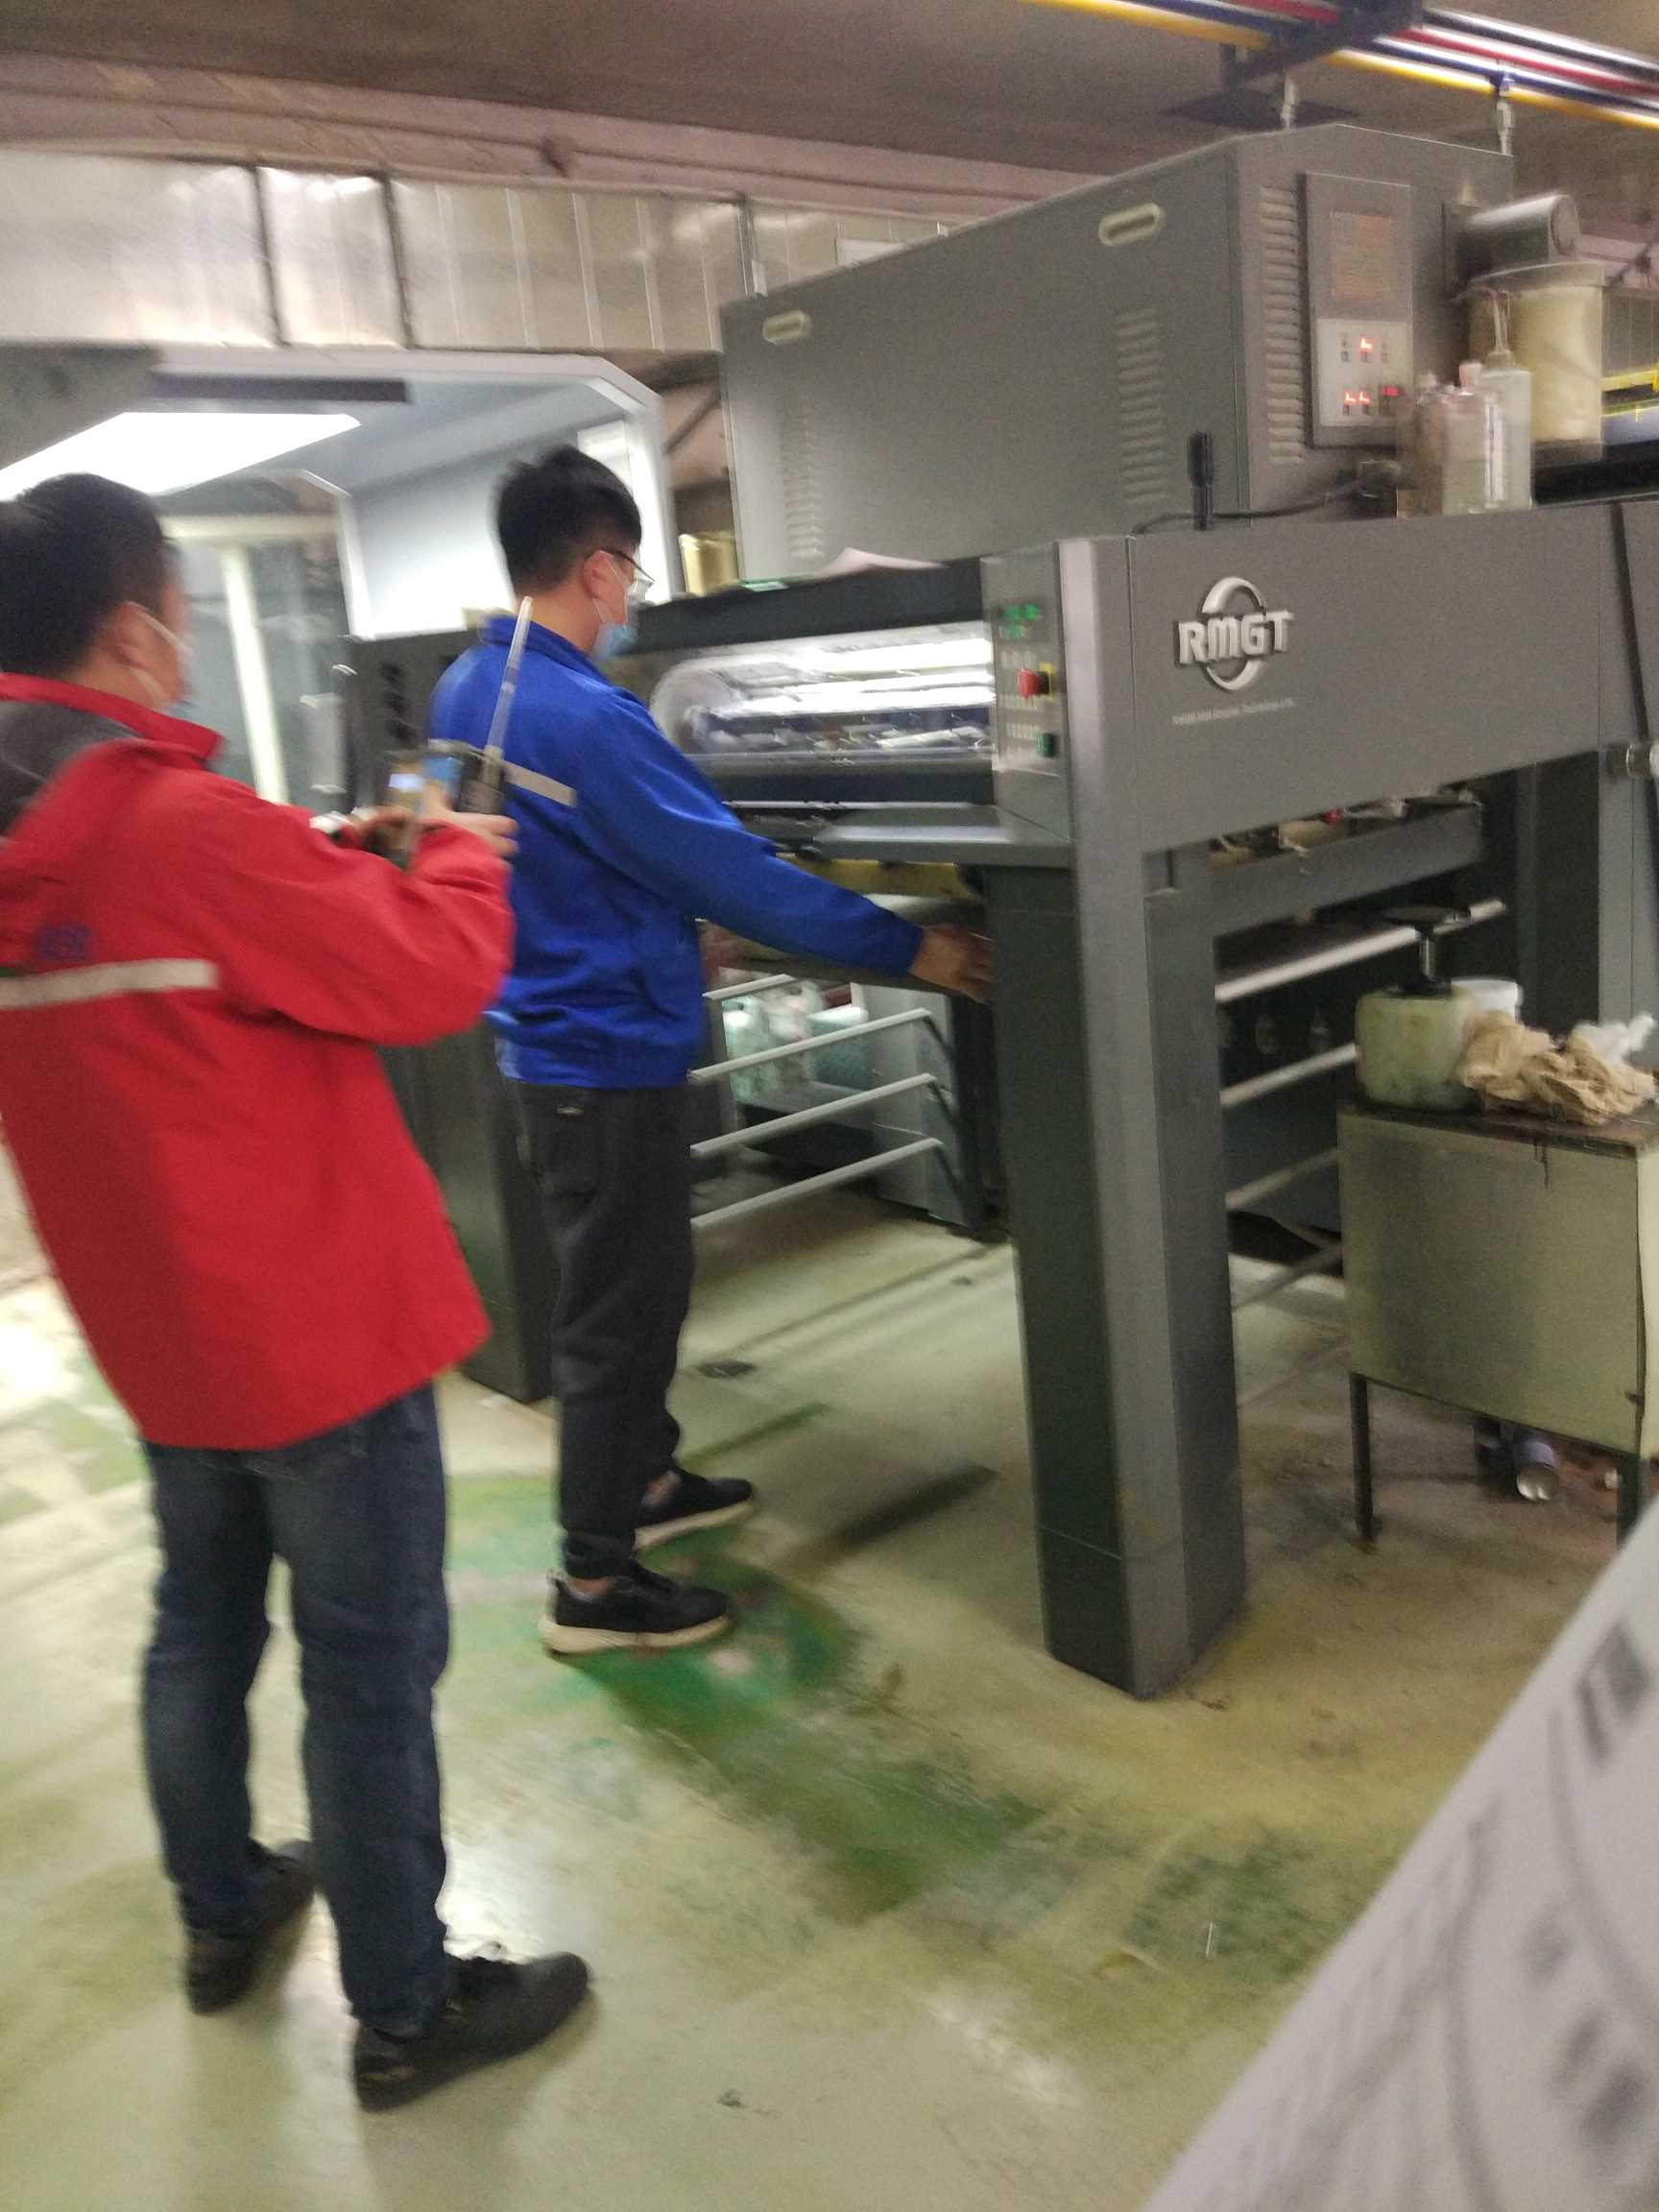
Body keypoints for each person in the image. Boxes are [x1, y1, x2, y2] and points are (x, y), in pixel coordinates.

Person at [0, 474, 588, 2109]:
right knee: (366, 1667)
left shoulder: (47, 837)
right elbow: (428, 973)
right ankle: (406, 2007)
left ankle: (222, 1909)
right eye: (179, 614)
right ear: (135, 631)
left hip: (159, 1339)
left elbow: (168, 962)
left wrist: (323, 854)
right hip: (314, 1335)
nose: (185, 640)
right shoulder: (180, 827)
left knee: (197, 1625)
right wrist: (452, 856)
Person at [431, 446, 991, 1658]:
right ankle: (593, 1585)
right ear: (597, 566)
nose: (628, 597)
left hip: (558, 1041)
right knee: (616, 1320)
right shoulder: (587, 718)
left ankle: (645, 1482)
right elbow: (733, 869)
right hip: (603, 1059)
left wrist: (670, 935)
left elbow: (556, 865)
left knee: (639, 1293)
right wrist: (912, 949)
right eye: (629, 574)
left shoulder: (467, 688)